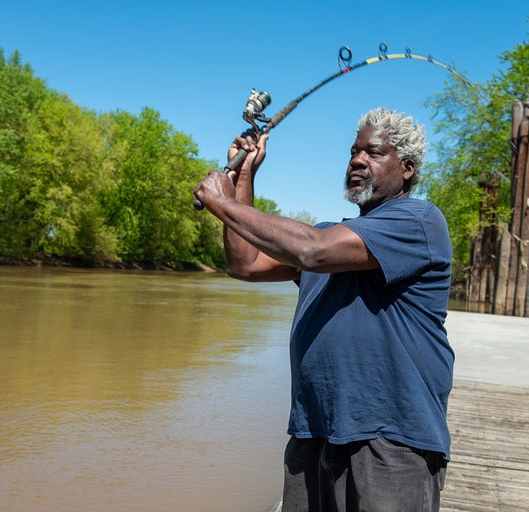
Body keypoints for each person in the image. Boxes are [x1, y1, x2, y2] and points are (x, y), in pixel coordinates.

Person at [193, 107, 453, 512]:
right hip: (314, 430)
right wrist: (245, 175)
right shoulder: (332, 236)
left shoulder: (417, 222)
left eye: (373, 152)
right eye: (353, 151)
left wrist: (222, 203)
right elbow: (245, 263)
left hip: (391, 438)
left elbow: (312, 250)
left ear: (407, 168)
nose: (357, 160)